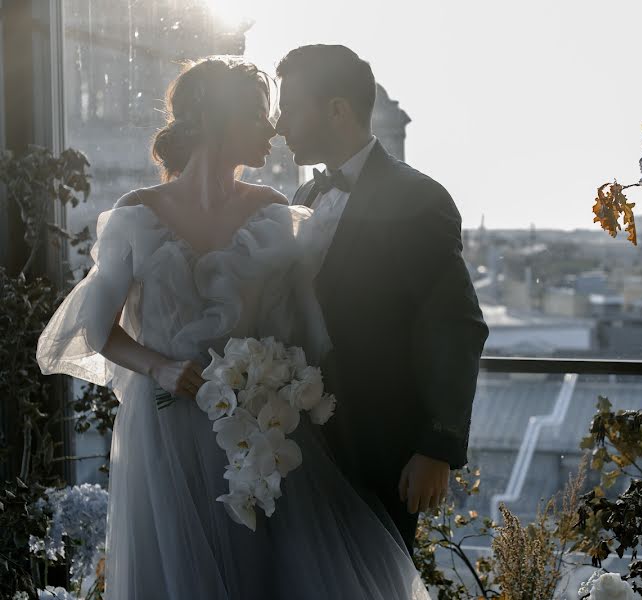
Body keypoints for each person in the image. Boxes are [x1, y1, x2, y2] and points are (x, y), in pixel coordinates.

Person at [36, 56, 429, 599]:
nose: (274, 129)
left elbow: (308, 334)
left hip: (261, 433)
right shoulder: (135, 213)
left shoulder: (276, 212)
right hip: (164, 433)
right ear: (219, 119)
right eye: (259, 115)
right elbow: (92, 329)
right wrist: (161, 367)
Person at [276, 44, 489, 553]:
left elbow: (455, 324)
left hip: (379, 447)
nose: (278, 124)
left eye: (288, 107)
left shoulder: (417, 197)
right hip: (298, 444)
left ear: (336, 110)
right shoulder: (301, 199)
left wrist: (435, 447)